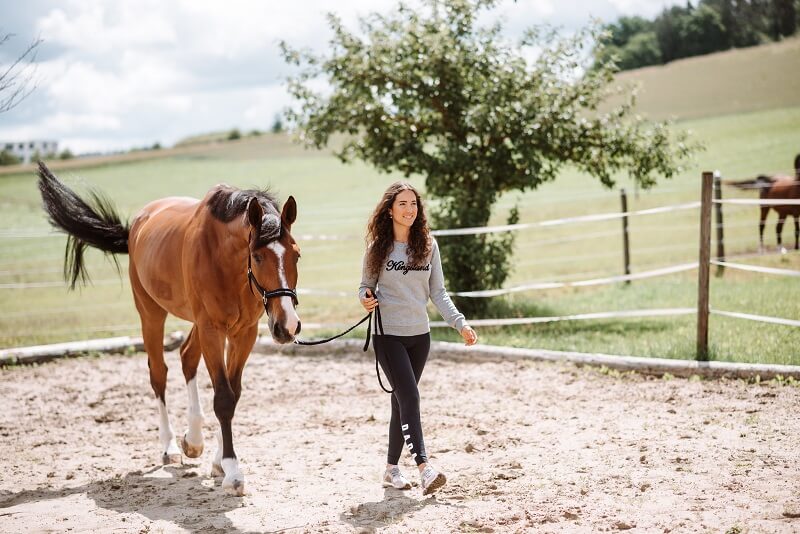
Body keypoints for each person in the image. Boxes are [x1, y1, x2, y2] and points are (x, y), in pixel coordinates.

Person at [358, 181, 478, 496]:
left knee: (401, 401)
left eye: (413, 204)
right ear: (389, 209)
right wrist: (366, 298)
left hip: (419, 336)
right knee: (410, 397)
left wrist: (459, 323)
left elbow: (437, 292)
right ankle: (425, 468)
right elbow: (365, 286)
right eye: (403, 204)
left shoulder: (428, 245)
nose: (410, 209)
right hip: (388, 336)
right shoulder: (377, 248)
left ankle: (391, 469)